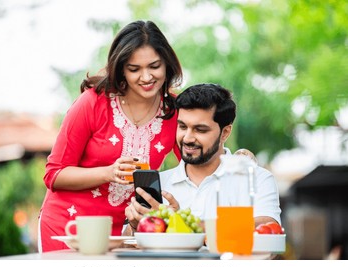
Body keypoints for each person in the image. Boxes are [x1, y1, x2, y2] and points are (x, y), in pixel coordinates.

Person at [38, 20, 184, 252]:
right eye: (134, 69)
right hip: (68, 228)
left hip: (125, 236)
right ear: (121, 69)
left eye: (154, 66)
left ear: (167, 64)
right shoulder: (93, 103)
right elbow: (54, 174)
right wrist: (108, 173)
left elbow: (193, 166)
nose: (146, 77)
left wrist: (234, 159)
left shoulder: (174, 111)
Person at [124, 83, 281, 234]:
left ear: (225, 132)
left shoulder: (257, 178)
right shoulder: (158, 183)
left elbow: (267, 227)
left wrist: (180, 223)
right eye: (183, 127)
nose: (188, 138)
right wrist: (136, 225)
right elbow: (126, 245)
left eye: (200, 130)